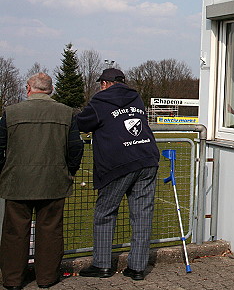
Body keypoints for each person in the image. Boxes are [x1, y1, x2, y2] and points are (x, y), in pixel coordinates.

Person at [0, 73, 84, 290]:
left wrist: (5, 171)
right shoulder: (67, 113)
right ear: (51, 89)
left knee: (14, 232)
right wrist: (69, 171)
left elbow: (0, 145)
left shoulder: (11, 113)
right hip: (54, 181)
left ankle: (12, 279)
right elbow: (76, 147)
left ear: (28, 88)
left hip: (17, 181)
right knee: (50, 231)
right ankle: (46, 278)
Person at [76, 68, 159, 281]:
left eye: (100, 84)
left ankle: (102, 265)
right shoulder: (136, 97)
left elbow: (82, 122)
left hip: (119, 163)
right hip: (147, 158)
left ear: (105, 83)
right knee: (142, 215)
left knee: (105, 213)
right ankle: (137, 268)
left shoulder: (100, 100)